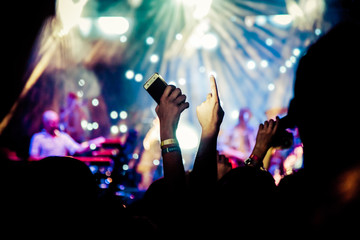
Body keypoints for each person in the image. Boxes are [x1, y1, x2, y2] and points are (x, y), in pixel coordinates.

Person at [29, 109, 105, 160]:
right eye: (52, 123)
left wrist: (93, 143)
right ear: (45, 123)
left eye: (56, 122)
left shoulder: (63, 137)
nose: (55, 125)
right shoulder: (37, 138)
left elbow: (78, 148)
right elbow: (33, 156)